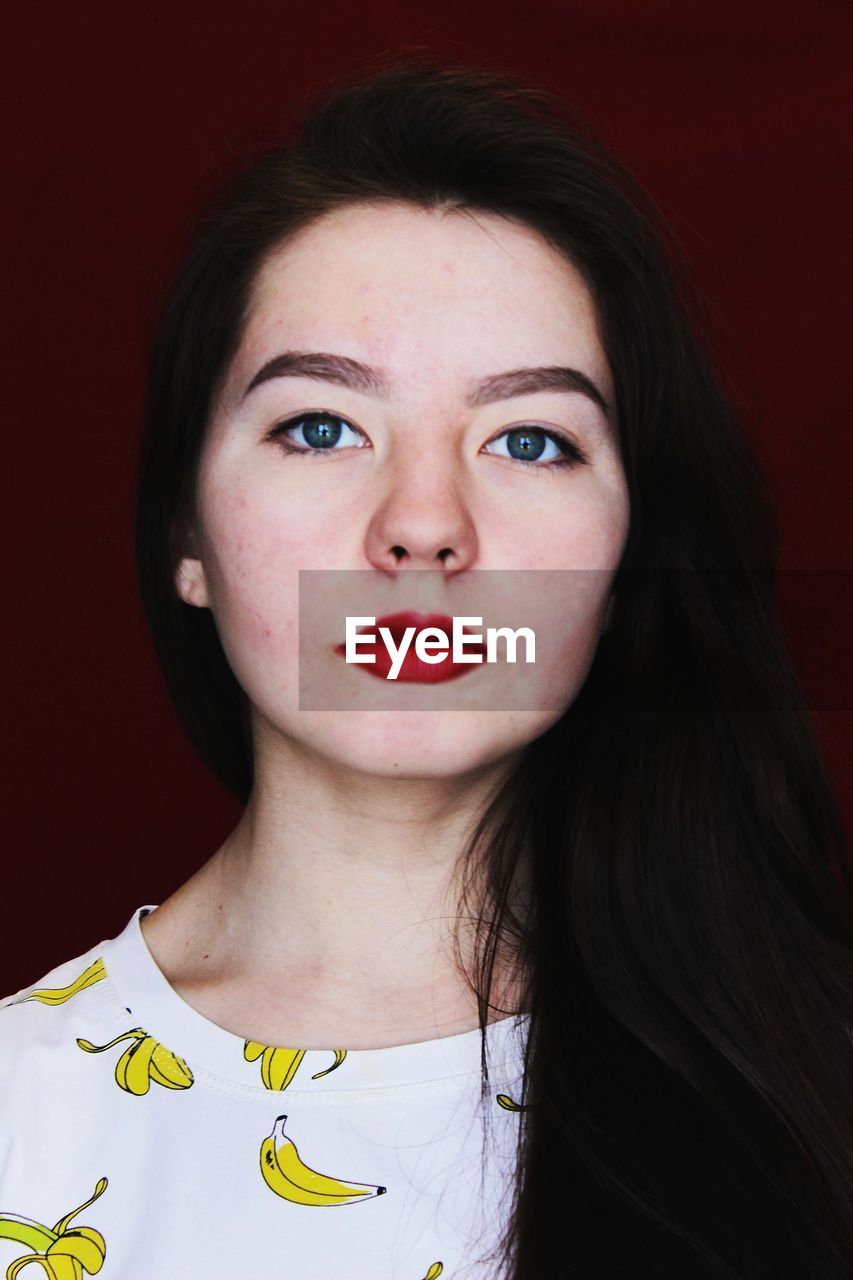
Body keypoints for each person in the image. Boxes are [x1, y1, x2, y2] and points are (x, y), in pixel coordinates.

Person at [2, 54, 852, 1280]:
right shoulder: (22, 1124)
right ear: (187, 538)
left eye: (527, 438)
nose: (423, 523)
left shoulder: (812, 1077)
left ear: (621, 572)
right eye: (319, 425)